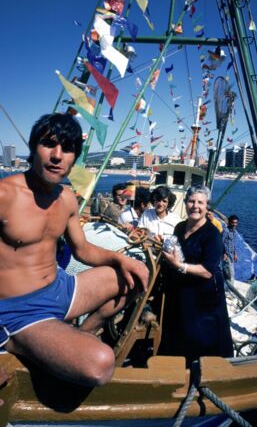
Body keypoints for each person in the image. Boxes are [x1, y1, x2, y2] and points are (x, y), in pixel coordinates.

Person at [0, 113, 149, 387]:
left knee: (137, 277)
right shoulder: (4, 195)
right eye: (49, 145)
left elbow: (82, 249)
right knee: (100, 364)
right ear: (34, 149)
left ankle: (84, 331)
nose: (57, 156)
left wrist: (121, 259)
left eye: (67, 149)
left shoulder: (66, 197)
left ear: (74, 159)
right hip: (20, 311)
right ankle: (14, 342)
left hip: (60, 289)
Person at [160, 185, 233, 365]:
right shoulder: (179, 227)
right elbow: (177, 249)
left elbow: (208, 271)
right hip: (183, 292)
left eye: (200, 202)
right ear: (185, 204)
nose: (195, 206)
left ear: (207, 206)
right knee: (181, 332)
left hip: (204, 298)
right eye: (191, 201)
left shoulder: (212, 234)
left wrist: (179, 265)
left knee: (202, 339)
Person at [222, 214, 239, 282]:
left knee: (229, 272)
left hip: (231, 255)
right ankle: (230, 287)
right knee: (231, 273)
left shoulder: (234, 231)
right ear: (229, 222)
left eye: (236, 223)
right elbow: (221, 242)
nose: (234, 224)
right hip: (226, 255)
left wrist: (235, 253)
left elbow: (233, 243)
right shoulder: (226, 231)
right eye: (233, 222)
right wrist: (224, 253)